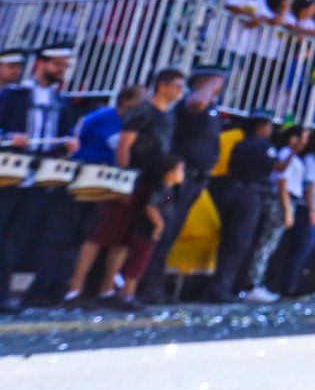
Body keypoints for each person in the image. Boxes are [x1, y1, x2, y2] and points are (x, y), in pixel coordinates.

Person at [65, 69, 184, 305]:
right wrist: (123, 179)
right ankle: (75, 290)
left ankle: (107, 290)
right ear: (162, 85)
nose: (181, 91)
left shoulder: (168, 117)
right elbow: (124, 145)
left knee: (127, 238)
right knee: (102, 233)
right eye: (177, 85)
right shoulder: (142, 111)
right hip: (132, 179)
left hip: (154, 182)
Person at [0, 47, 80, 310]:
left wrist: (67, 144)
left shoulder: (61, 100)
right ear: (41, 64)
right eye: (57, 64)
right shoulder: (13, 95)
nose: (61, 70)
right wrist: (9, 137)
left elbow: (63, 133)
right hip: (8, 171)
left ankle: (3, 295)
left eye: (64, 65)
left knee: (16, 238)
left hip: (38, 176)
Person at [135, 67, 224, 303]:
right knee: (163, 225)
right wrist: (209, 84)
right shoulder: (192, 102)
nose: (220, 85)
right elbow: (197, 101)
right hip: (175, 183)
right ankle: (144, 284)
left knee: (172, 229)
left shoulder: (211, 108)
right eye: (216, 81)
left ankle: (153, 283)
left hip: (194, 181)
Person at [96, 155, 185, 310]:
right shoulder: (161, 189)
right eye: (180, 170)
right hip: (146, 232)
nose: (182, 174)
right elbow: (151, 207)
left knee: (137, 262)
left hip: (145, 231)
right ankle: (127, 295)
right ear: (168, 172)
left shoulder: (170, 191)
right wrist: (159, 225)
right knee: (137, 264)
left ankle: (121, 292)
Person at [206, 116, 274, 303]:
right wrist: (294, 151)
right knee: (239, 243)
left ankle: (217, 286)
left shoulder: (239, 144)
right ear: (261, 127)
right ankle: (224, 288)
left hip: (231, 190)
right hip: (250, 195)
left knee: (228, 240)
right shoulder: (263, 146)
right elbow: (276, 167)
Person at [240, 125, 306, 304]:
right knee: (266, 244)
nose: (305, 141)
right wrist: (287, 210)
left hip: (285, 201)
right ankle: (252, 285)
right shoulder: (285, 153)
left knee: (269, 245)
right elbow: (282, 182)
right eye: (302, 137)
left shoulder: (291, 156)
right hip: (280, 201)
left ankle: (257, 283)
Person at [280, 129, 315, 298]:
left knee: (308, 248)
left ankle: (296, 284)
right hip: (310, 210)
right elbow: (309, 187)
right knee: (302, 247)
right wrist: (312, 211)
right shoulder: (311, 160)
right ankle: (289, 287)